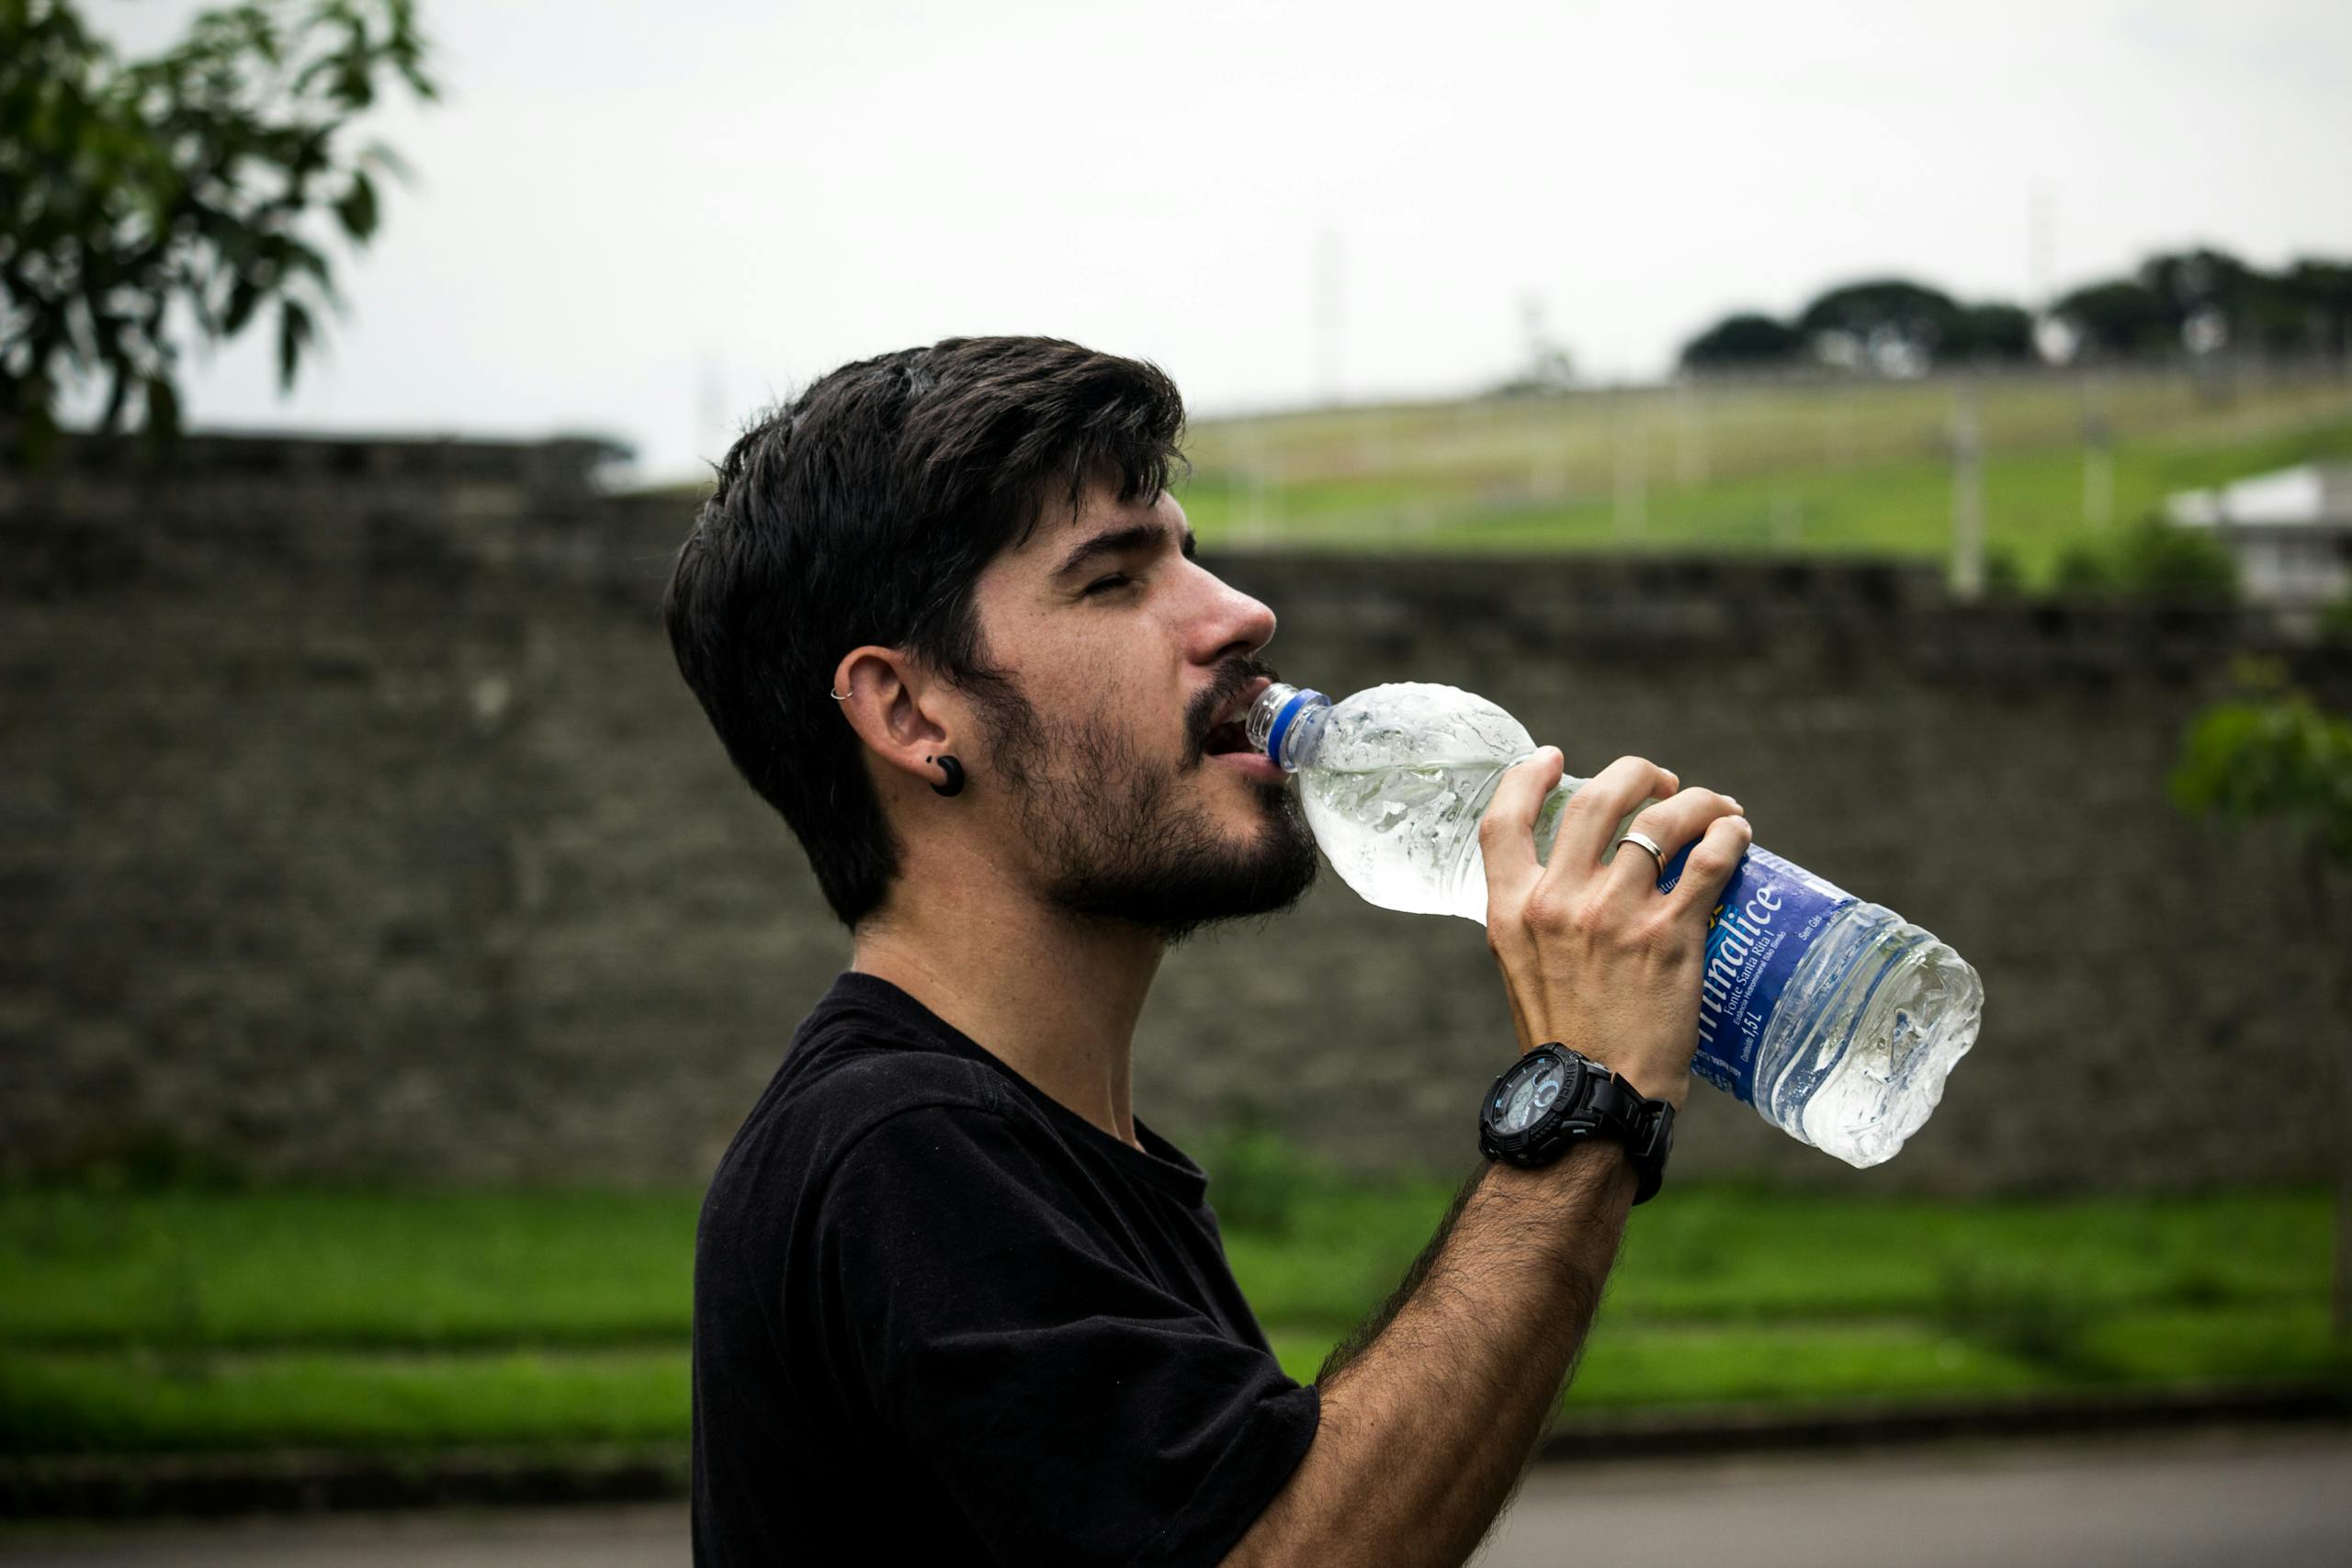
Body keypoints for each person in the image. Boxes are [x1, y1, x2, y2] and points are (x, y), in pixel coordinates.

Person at [662, 336, 1750, 1566]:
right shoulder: (900, 1152)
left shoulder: (1055, 1155)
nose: (1240, 613)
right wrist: (1584, 1103)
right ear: (913, 713)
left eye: (1189, 552)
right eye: (1115, 579)